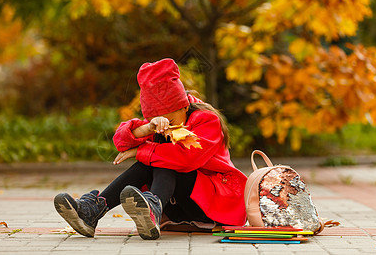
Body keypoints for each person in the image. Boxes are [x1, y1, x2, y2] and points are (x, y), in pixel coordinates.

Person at [54, 58, 247, 240]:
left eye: (170, 120)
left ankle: (151, 208)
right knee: (156, 158)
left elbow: (186, 159)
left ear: (184, 106)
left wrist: (140, 151)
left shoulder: (207, 120)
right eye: (157, 120)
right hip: (176, 205)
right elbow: (120, 142)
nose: (165, 126)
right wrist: (147, 128)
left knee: (165, 159)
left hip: (212, 205)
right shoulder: (158, 123)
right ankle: (94, 211)